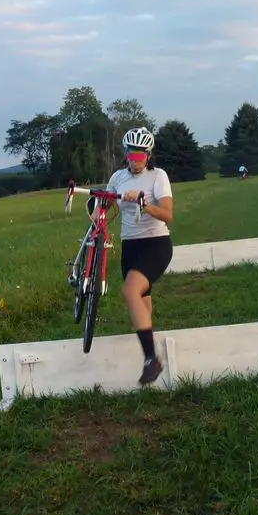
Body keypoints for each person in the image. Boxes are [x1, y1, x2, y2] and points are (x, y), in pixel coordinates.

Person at [105, 126, 174, 385]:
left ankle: (150, 360)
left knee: (130, 291)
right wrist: (95, 207)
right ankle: (154, 357)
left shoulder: (158, 176)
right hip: (130, 246)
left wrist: (143, 204)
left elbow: (168, 215)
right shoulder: (118, 177)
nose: (134, 160)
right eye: (130, 155)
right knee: (142, 302)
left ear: (148, 155)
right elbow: (106, 202)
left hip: (156, 243)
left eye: (140, 156)